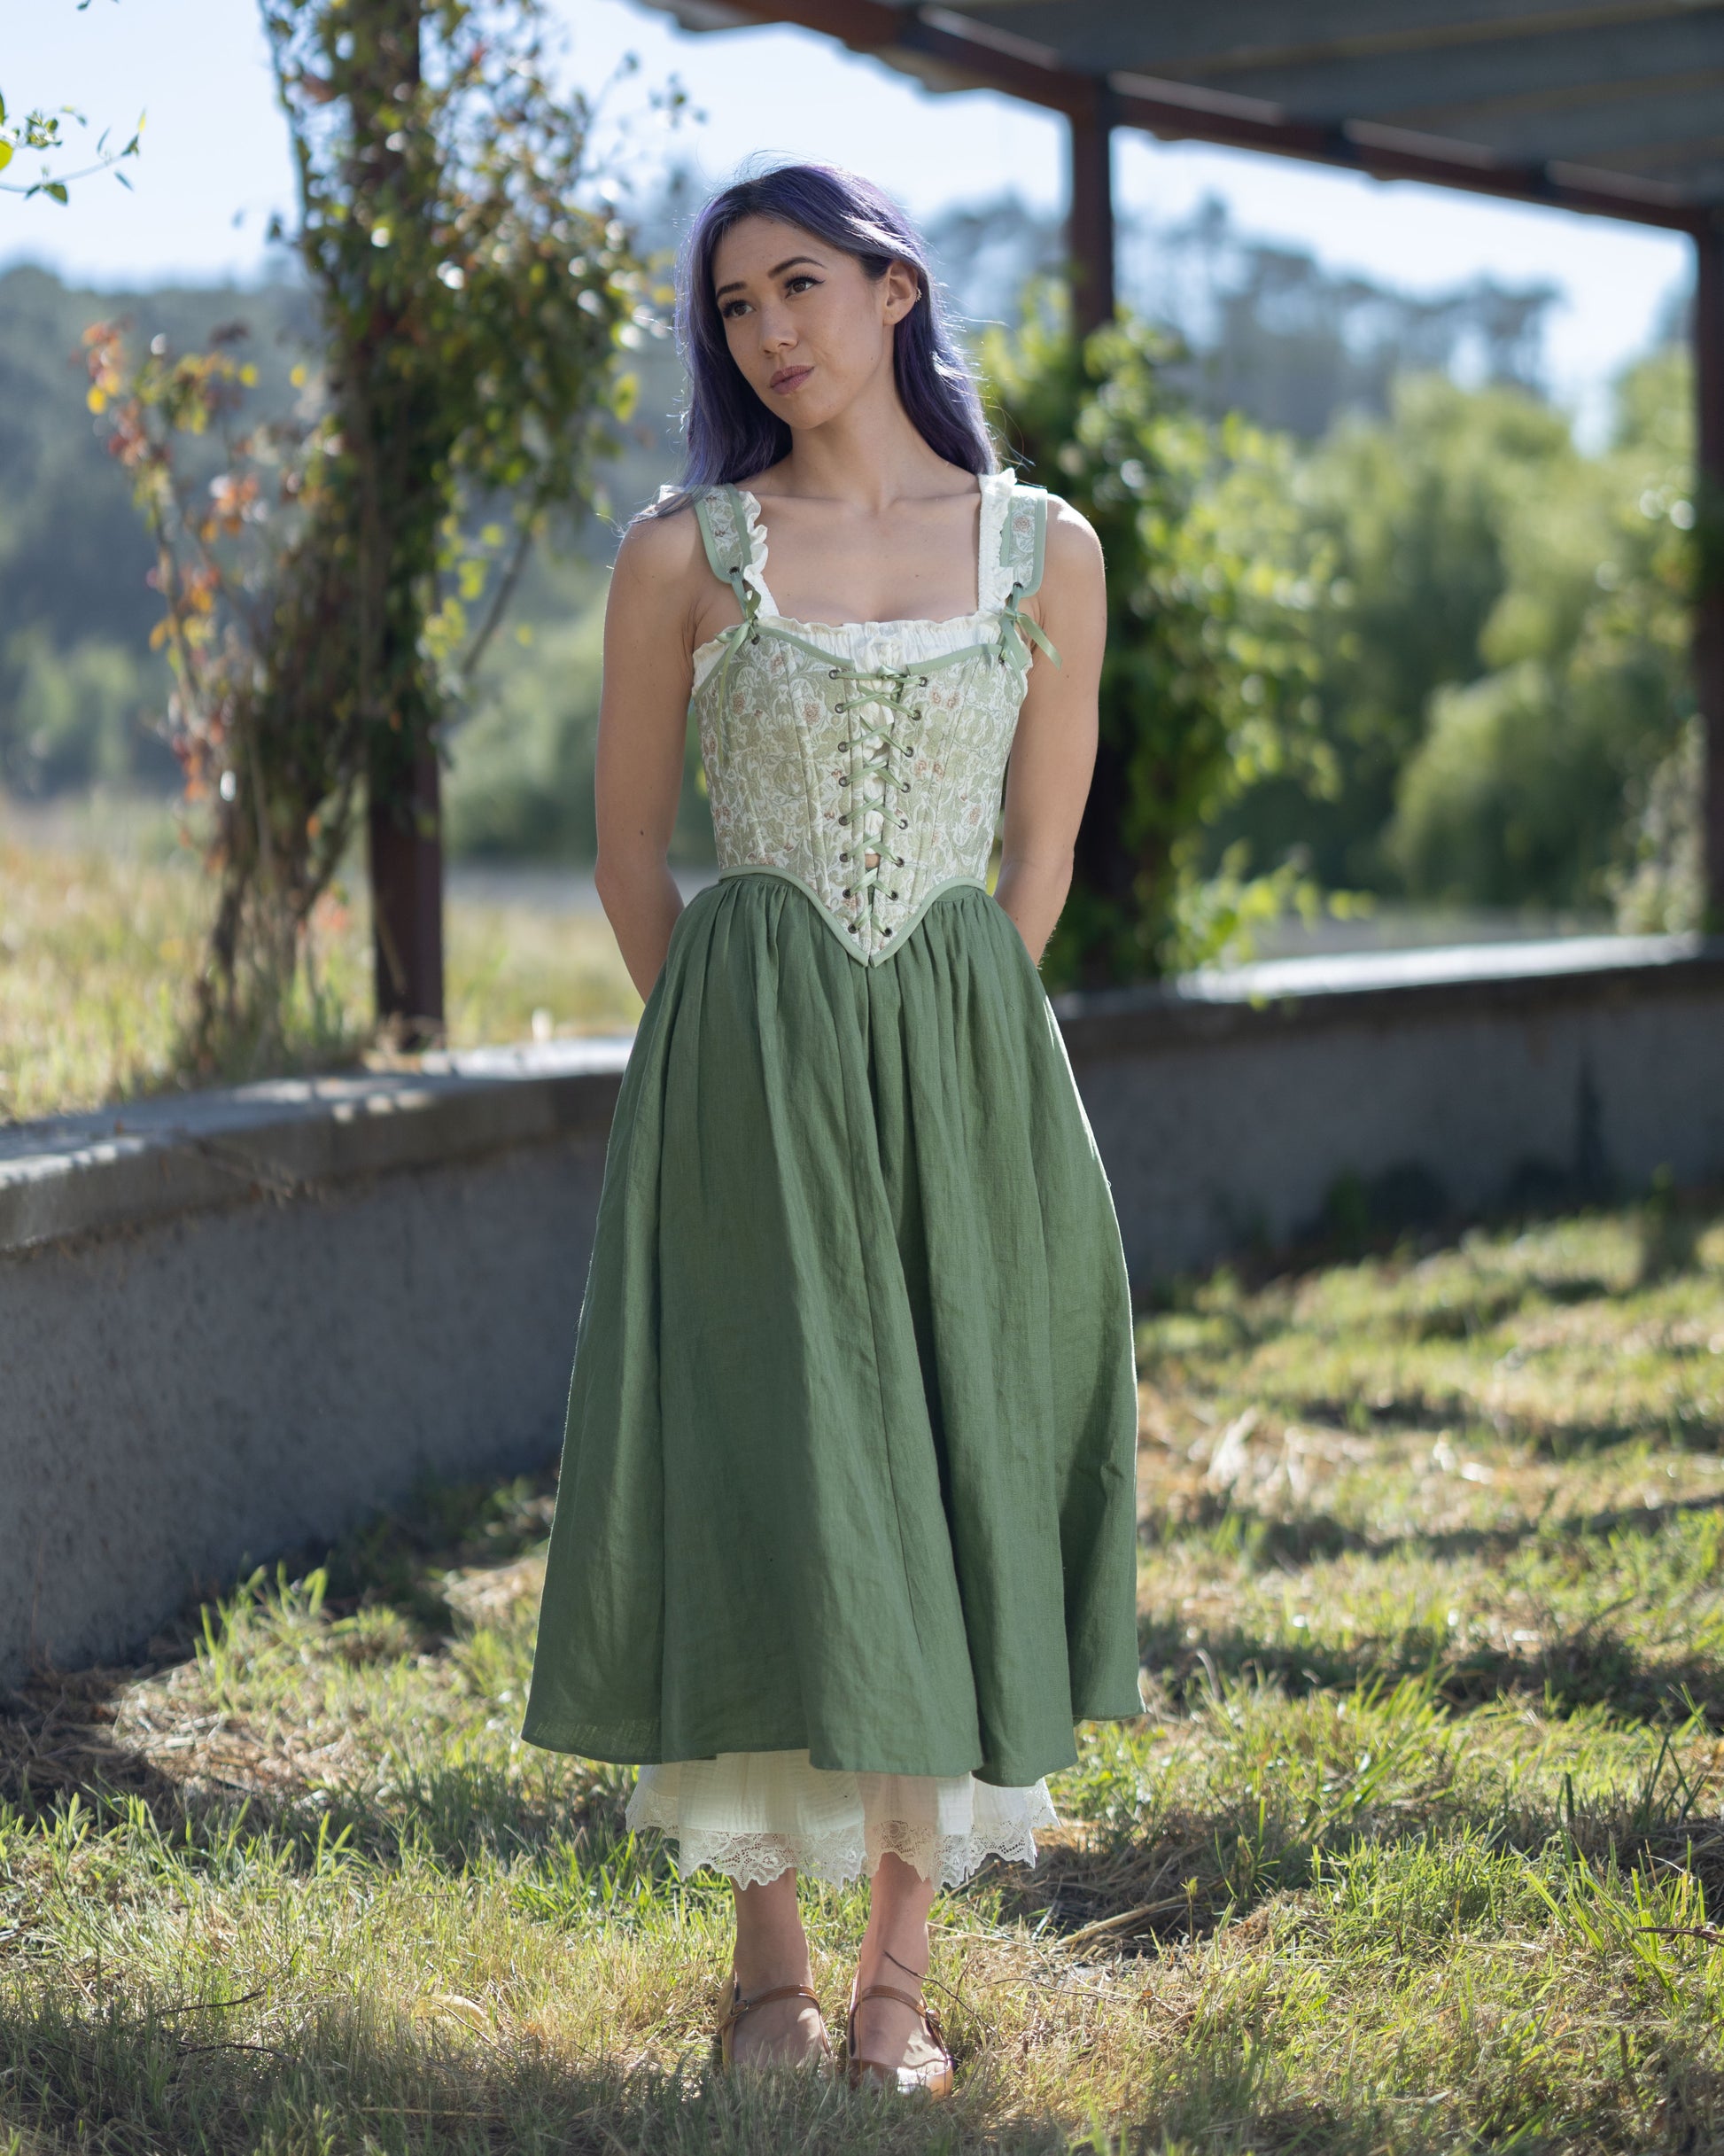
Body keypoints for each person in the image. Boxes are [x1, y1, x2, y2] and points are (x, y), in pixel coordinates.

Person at [521, 161, 1141, 2096]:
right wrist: (740, 1047)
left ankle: (899, 1977)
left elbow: (1037, 853)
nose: (768, 332)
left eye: (799, 285)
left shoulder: (1046, 551)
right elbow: (633, 858)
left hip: (964, 1067)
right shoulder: (684, 555)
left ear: (893, 290)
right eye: (731, 308)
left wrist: (944, 1039)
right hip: (744, 1072)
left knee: (945, 1473)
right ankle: (767, 1966)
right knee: (770, 1466)